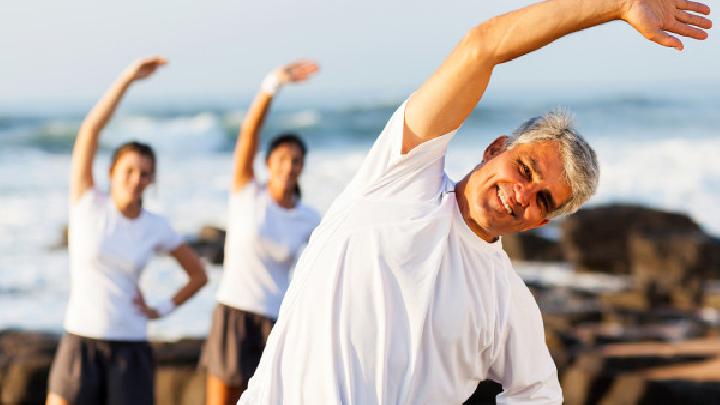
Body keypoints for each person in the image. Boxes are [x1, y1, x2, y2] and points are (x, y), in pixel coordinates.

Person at [238, 0, 712, 403]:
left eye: (543, 200)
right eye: (525, 169)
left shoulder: (506, 300)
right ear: (495, 149)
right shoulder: (399, 176)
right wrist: (617, 5)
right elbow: (482, 47)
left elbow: (538, 393)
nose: (522, 194)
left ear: (538, 223)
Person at [46, 57, 208, 405]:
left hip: (131, 346)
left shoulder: (156, 226)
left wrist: (160, 309)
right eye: (130, 170)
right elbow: (90, 130)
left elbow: (198, 274)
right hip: (81, 339)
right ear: (112, 171)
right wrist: (127, 79)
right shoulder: (87, 204)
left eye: (146, 173)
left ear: (152, 180)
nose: (137, 179)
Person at [201, 60, 321, 405]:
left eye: (296, 161)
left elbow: (326, 267)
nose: (289, 167)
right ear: (268, 163)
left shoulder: (308, 218)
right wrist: (272, 85)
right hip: (233, 312)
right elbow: (248, 134)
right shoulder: (246, 195)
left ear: (302, 169)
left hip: (275, 321)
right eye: (282, 159)